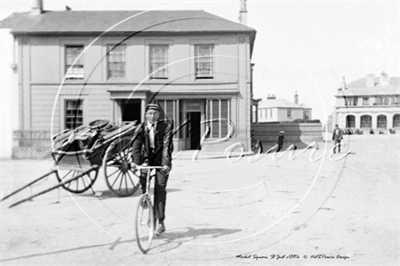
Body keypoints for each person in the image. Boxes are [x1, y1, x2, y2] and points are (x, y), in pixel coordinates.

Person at [131, 103, 173, 236]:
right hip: (146, 159)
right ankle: (145, 195)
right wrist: (136, 163)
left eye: (155, 114)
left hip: (161, 160)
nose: (152, 116)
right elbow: (136, 147)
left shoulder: (165, 127)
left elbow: (167, 146)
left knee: (160, 188)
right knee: (144, 178)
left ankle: (160, 221)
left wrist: (166, 163)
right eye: (150, 113)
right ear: (146, 115)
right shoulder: (141, 128)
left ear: (158, 115)